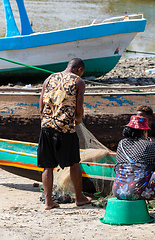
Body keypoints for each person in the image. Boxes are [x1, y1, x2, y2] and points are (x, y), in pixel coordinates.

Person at [37, 58, 92, 210]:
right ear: (79, 69)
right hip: (65, 128)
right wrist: (78, 120)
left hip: (46, 127)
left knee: (47, 166)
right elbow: (79, 106)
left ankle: (49, 202)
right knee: (74, 163)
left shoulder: (49, 78)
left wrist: (47, 120)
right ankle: (79, 198)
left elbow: (41, 104)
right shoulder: (78, 81)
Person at [112, 115, 155, 219]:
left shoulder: (121, 143)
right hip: (136, 190)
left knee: (142, 178)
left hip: (118, 190)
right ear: (143, 131)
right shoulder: (150, 145)